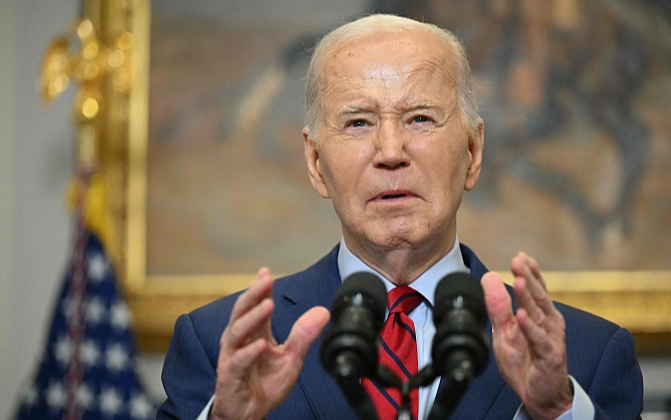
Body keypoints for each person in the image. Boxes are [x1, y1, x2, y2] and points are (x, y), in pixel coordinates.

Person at [157, 14, 643, 420]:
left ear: (473, 152)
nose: (391, 152)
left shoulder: (588, 356)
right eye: (358, 122)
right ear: (315, 164)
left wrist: (557, 409)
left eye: (420, 119)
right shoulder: (217, 347)